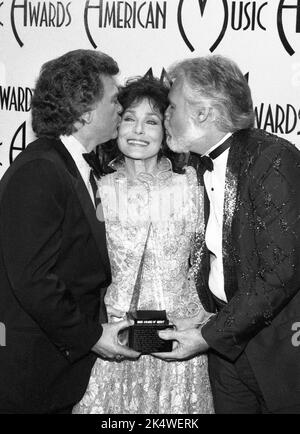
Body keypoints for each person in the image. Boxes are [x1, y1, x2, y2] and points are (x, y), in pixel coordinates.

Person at [156, 54, 300, 414]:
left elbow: (281, 273)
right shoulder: (195, 165)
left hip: (278, 351)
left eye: (172, 107)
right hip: (225, 349)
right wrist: (208, 320)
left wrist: (206, 336)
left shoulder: (273, 159)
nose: (165, 117)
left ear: (203, 113)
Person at [0, 49, 139, 414]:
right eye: (113, 100)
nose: (120, 110)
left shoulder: (70, 164)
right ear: (85, 111)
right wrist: (92, 336)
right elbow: (32, 279)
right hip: (31, 372)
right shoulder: (40, 171)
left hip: (55, 368)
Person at [73, 75, 214, 414]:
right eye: (129, 119)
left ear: (166, 130)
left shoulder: (191, 185)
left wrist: (201, 322)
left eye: (151, 121)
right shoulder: (98, 188)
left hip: (179, 337)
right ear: (115, 126)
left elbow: (202, 258)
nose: (138, 130)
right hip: (117, 335)